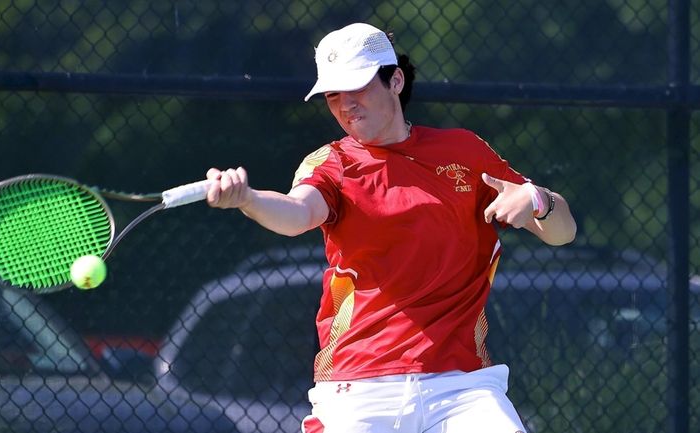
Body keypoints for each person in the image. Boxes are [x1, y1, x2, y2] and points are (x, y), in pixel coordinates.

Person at [204, 22, 576, 433]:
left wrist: (536, 199)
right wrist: (249, 200)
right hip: (357, 387)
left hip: (463, 388)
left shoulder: (464, 152)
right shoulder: (331, 163)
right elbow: (297, 213)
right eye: (332, 95)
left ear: (395, 80)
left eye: (357, 88)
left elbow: (562, 231)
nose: (346, 106)